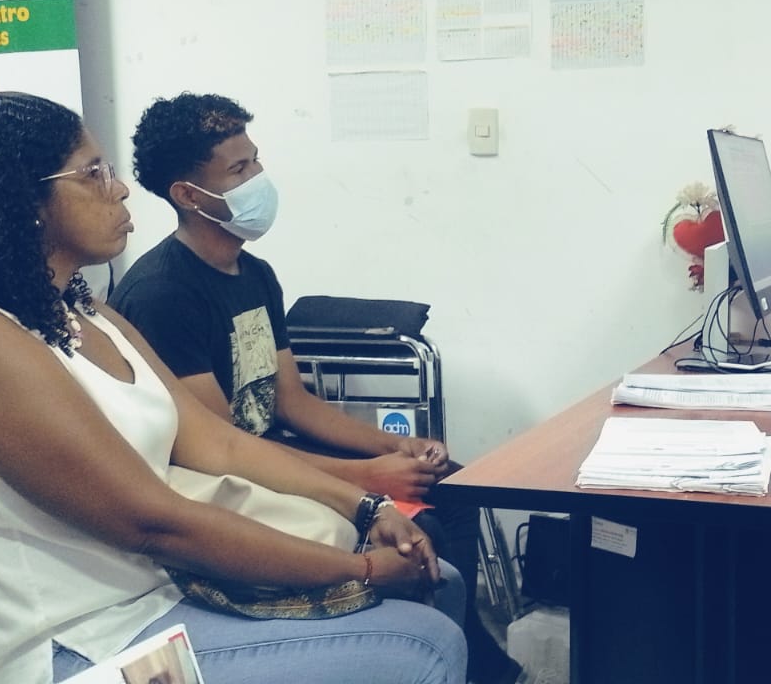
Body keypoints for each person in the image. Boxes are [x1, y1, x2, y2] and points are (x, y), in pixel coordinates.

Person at [0, 91, 467, 683]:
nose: (119, 189)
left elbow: (221, 443)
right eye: (93, 173)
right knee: (426, 644)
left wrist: (367, 507)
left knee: (439, 583)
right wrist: (357, 569)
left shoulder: (87, 315)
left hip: (163, 597)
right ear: (22, 200)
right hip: (81, 645)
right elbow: (153, 523)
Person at [110, 93, 520, 684]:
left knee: (452, 483)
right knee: (419, 534)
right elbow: (217, 449)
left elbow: (291, 400)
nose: (258, 178)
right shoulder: (161, 295)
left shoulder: (254, 274)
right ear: (189, 195)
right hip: (230, 481)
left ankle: (475, 659)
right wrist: (365, 478)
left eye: (256, 160)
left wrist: (392, 446)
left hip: (272, 450)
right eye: (239, 169)